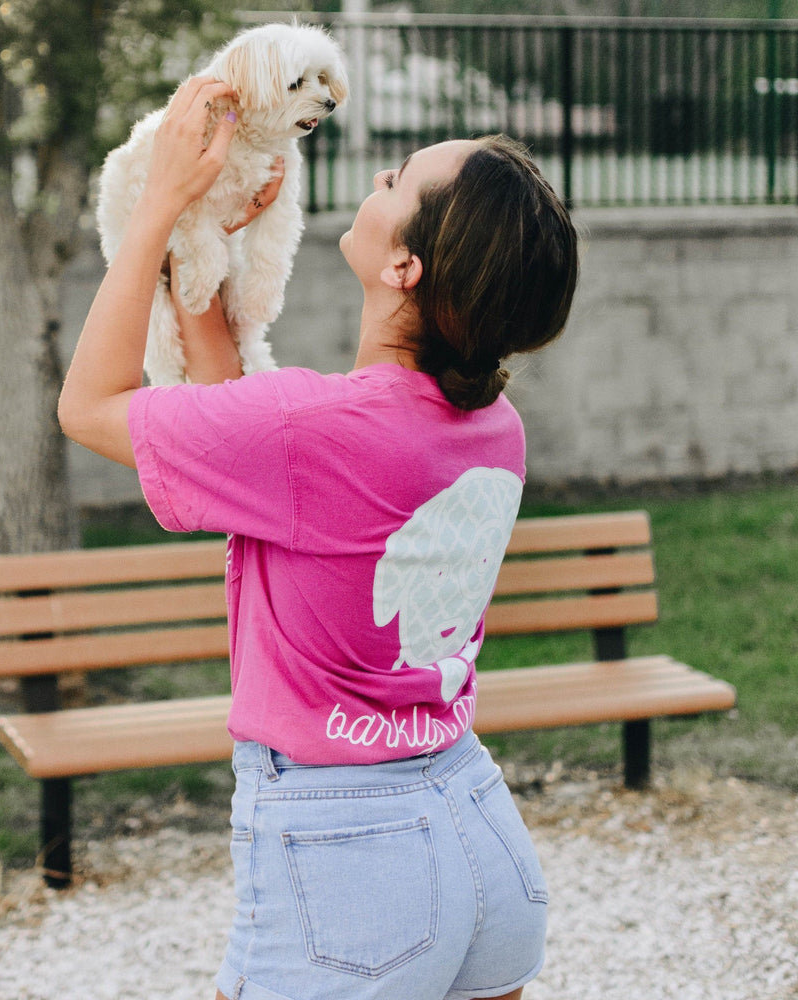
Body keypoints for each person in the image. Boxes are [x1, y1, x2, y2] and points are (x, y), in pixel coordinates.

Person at [59, 75, 578, 1000]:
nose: (380, 173)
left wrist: (158, 208)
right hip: (474, 823)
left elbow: (89, 406)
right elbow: (246, 430)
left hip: (349, 852)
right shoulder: (492, 431)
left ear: (405, 267)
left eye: (399, 182)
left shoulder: (314, 430)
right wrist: (204, 246)